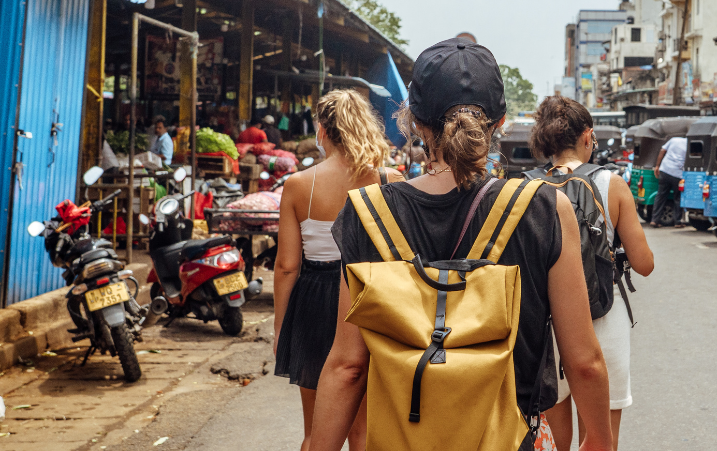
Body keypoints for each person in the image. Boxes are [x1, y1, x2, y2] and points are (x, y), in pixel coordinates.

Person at [308, 38, 612, 451]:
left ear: (415, 122)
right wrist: (599, 440)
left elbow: (347, 367)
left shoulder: (368, 213)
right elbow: (584, 361)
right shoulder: (545, 208)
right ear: (499, 121)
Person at [273, 89, 402, 450]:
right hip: (370, 299)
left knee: (315, 433)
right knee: (363, 432)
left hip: (314, 301)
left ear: (323, 130)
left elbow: (287, 267)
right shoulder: (391, 181)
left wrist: (281, 326)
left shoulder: (299, 184)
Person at [531, 96, 655, 451]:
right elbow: (644, 264)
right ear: (587, 136)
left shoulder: (527, 186)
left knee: (555, 440)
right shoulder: (611, 183)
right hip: (602, 317)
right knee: (601, 440)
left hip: (546, 326)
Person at [651, 134, 686, 227]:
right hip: (677, 174)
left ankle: (654, 220)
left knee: (660, 196)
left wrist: (657, 166)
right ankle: (677, 222)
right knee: (678, 197)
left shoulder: (673, 140)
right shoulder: (689, 144)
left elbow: (662, 151)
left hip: (665, 170)